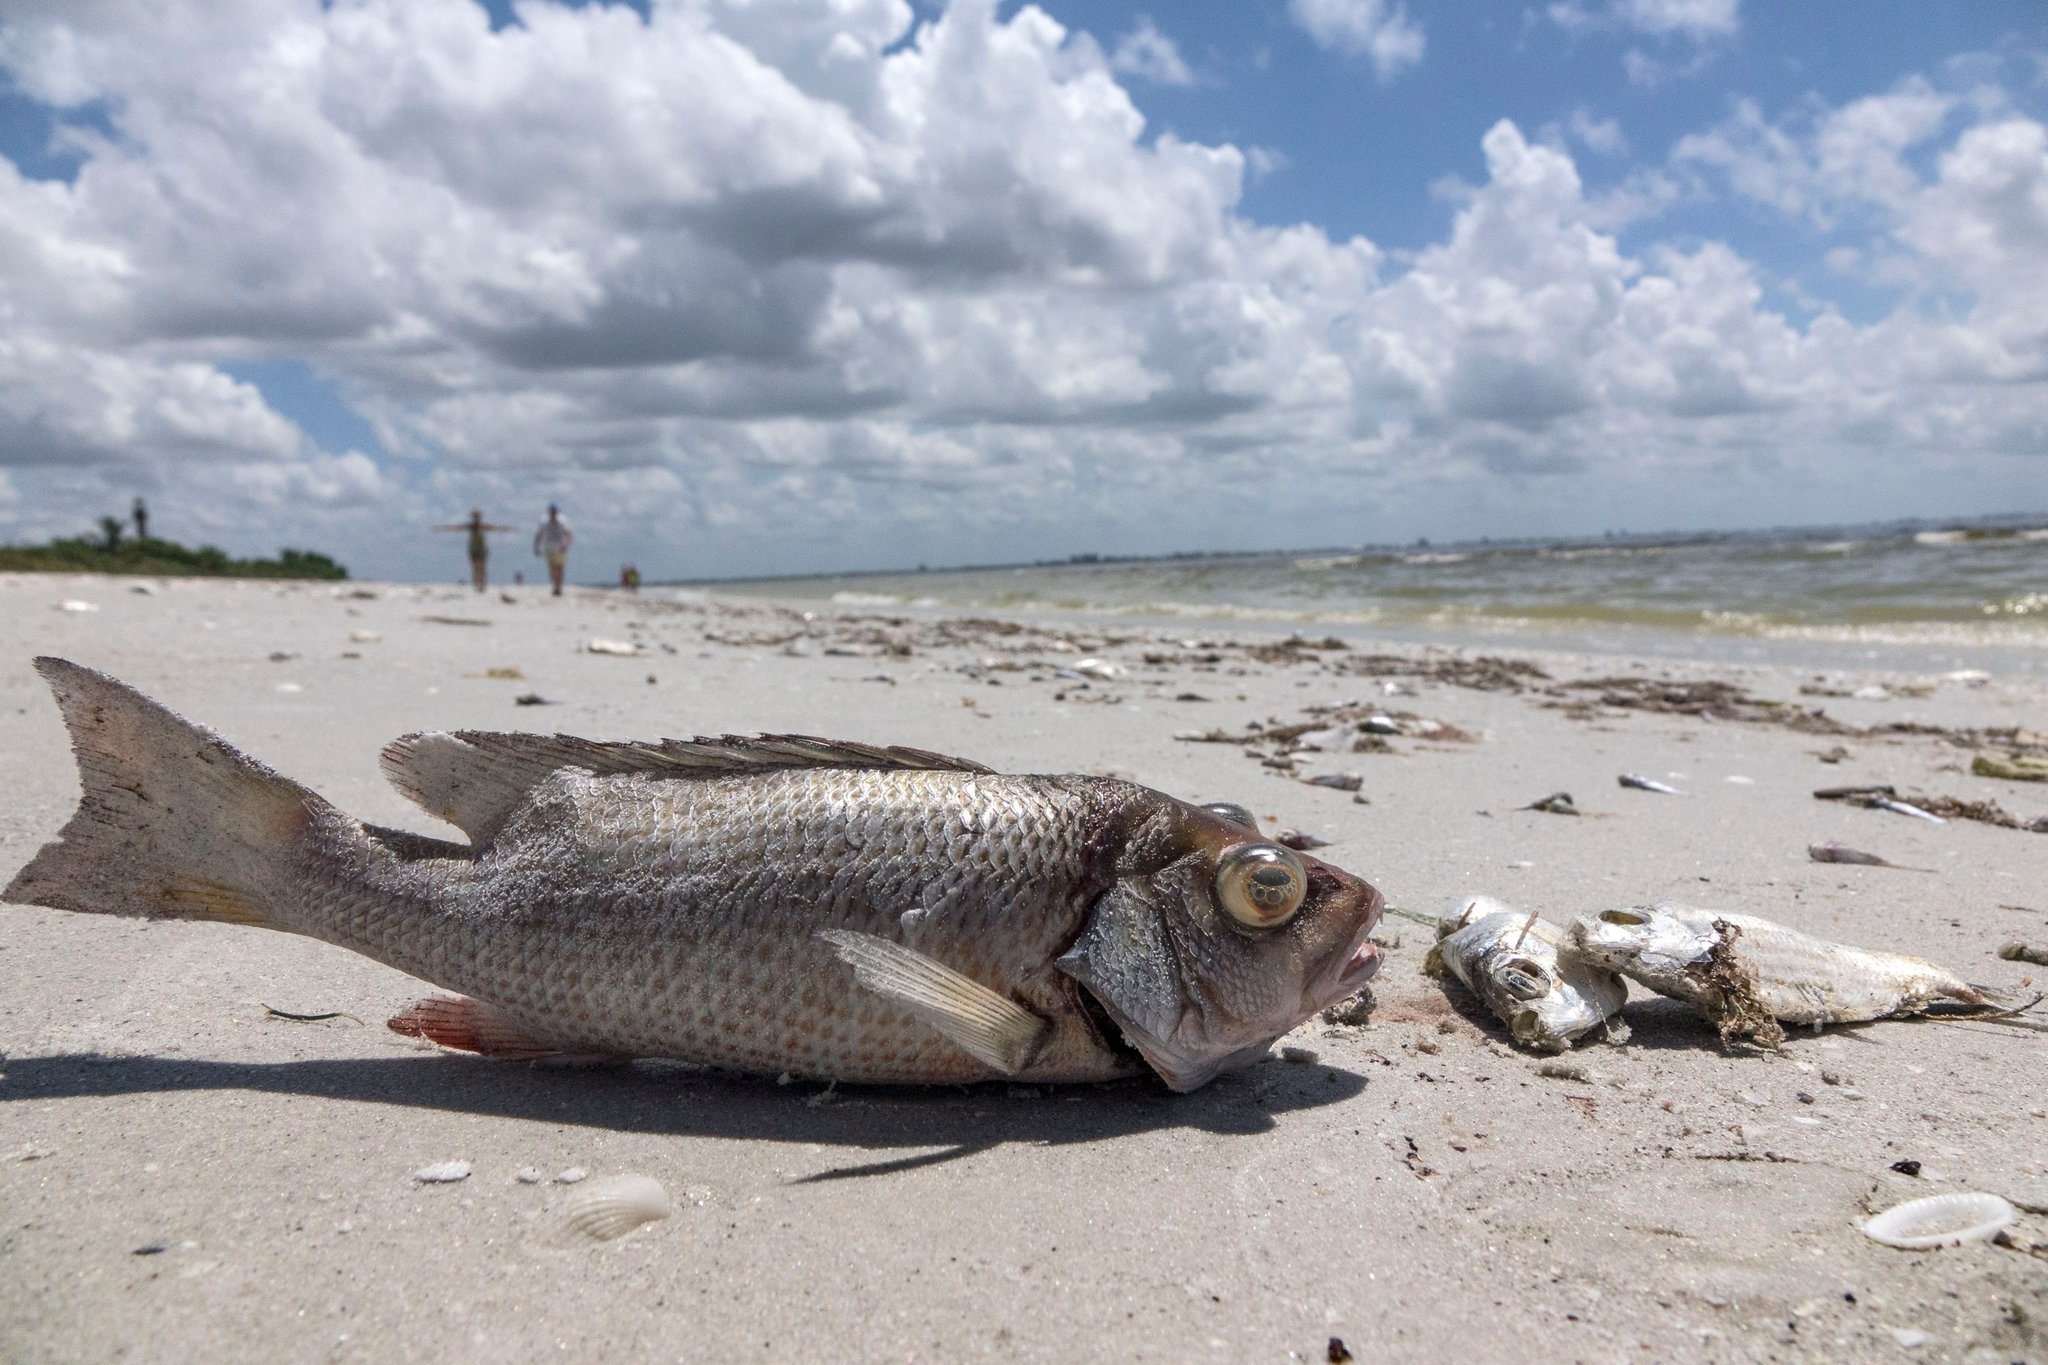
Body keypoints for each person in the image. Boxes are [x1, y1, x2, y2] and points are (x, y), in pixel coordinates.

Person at [433, 509, 512, 591]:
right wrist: (441, 528)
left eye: (477, 517)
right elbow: (456, 527)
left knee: (482, 567)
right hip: (473, 549)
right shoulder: (470, 526)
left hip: (482, 548)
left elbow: (496, 528)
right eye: (475, 517)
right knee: (475, 567)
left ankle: (482, 585)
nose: (476, 518)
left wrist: (507, 529)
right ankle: (477, 584)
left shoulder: (483, 526)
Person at [533, 504, 573, 596]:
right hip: (549, 547)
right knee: (552, 567)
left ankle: (559, 587)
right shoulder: (544, 521)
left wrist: (566, 545)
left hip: (560, 547)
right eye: (551, 512)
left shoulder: (563, 521)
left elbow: (568, 534)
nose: (553, 514)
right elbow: (539, 534)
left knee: (560, 568)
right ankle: (555, 586)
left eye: (554, 512)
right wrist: (536, 547)